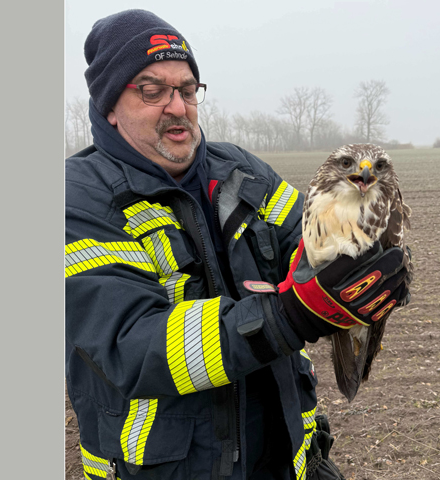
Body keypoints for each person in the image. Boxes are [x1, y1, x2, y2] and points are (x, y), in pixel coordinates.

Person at [66, 9, 409, 480]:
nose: (176, 106)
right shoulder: (77, 197)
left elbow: (310, 248)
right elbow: (130, 344)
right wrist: (287, 315)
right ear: (108, 105)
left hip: (289, 461)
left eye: (187, 90)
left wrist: (367, 262)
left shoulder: (243, 171)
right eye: (152, 90)